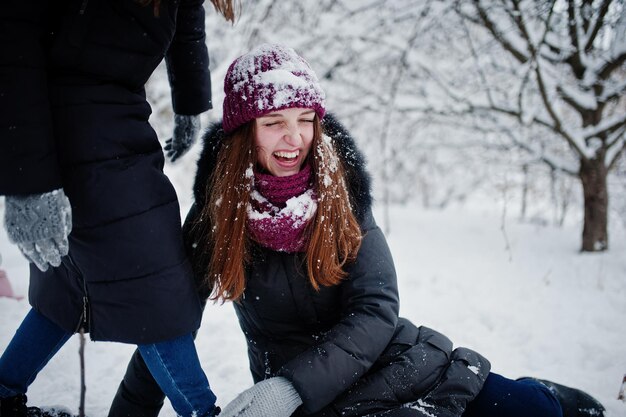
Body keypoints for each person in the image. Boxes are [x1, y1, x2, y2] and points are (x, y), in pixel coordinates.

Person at [112, 44, 607, 417]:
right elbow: (167, 323)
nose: (294, 138)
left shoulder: (339, 195)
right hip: (304, 400)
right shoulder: (218, 215)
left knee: (532, 410)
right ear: (245, 133)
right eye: (275, 123)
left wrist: (291, 387)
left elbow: (376, 310)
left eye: (306, 120)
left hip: (391, 367)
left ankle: (548, 393)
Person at [0, 1, 237, 416]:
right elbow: (12, 39)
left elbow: (186, 20)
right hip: (60, 125)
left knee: (70, 282)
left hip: (123, 117)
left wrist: (189, 101)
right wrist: (27, 181)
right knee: (156, 280)